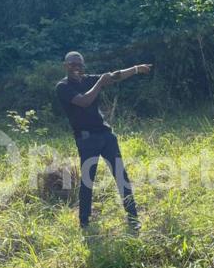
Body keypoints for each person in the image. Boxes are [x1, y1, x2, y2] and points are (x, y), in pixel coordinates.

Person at [55, 51, 152, 231]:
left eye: (80, 65)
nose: (76, 67)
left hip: (106, 136)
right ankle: (84, 223)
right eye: (72, 64)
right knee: (87, 181)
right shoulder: (63, 87)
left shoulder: (89, 79)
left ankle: (133, 218)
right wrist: (100, 83)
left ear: (83, 66)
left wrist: (137, 69)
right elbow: (84, 101)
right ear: (65, 66)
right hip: (86, 140)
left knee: (121, 176)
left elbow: (115, 76)